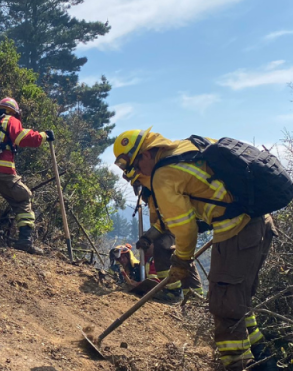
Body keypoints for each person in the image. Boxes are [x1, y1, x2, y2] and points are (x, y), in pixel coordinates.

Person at [112, 128, 277, 371]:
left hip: (237, 230)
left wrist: (181, 261)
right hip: (261, 221)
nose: (137, 173)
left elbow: (185, 230)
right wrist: (152, 235)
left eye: (134, 166)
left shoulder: (163, 174)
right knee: (238, 299)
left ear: (146, 154)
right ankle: (265, 359)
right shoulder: (188, 148)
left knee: (224, 303)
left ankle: (238, 365)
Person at [0, 97, 53, 254]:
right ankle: (25, 241)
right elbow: (22, 138)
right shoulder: (10, 120)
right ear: (15, 112)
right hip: (1, 169)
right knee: (23, 198)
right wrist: (44, 136)